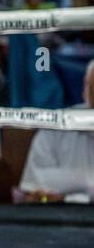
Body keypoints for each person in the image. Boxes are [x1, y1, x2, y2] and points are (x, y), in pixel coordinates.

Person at [18, 58, 94, 203]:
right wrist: (43, 198)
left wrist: (71, 198)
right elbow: (31, 194)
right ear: (86, 88)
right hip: (61, 220)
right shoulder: (56, 128)